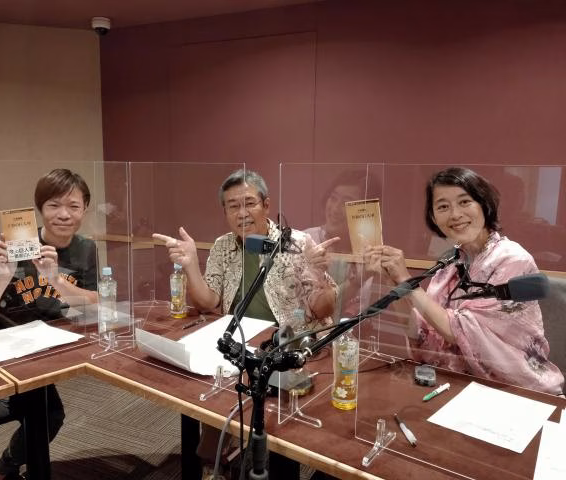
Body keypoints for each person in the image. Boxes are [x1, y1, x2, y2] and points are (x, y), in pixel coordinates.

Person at [153, 169, 338, 479]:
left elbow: (324, 309)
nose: (241, 213)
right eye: (232, 206)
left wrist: (319, 275)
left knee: (267, 414)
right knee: (204, 386)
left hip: (285, 345)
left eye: (249, 203)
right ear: (225, 211)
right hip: (239, 339)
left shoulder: (297, 243)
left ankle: (238, 456)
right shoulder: (223, 246)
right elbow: (209, 300)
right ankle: (216, 457)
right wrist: (191, 265)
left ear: (266, 205)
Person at [364, 167, 564, 395]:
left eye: (464, 202)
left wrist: (405, 280)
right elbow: (421, 331)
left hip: (519, 392)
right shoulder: (450, 263)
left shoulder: (513, 259)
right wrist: (394, 282)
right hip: (459, 386)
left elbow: (458, 331)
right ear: (433, 217)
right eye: (442, 207)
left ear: (484, 205)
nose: (455, 214)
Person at [0, 168, 98, 479]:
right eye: (53, 205)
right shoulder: (14, 242)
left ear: (85, 208)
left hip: (34, 351)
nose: (64, 214)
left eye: (73, 206)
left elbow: (93, 302)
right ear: (40, 208)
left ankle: (6, 465)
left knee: (48, 415)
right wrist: (2, 277)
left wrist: (56, 279)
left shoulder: (86, 249)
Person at [304, 171, 376, 318]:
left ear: (363, 213)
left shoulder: (369, 251)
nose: (335, 208)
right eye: (333, 198)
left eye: (346, 202)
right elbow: (303, 312)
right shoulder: (306, 240)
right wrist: (355, 282)